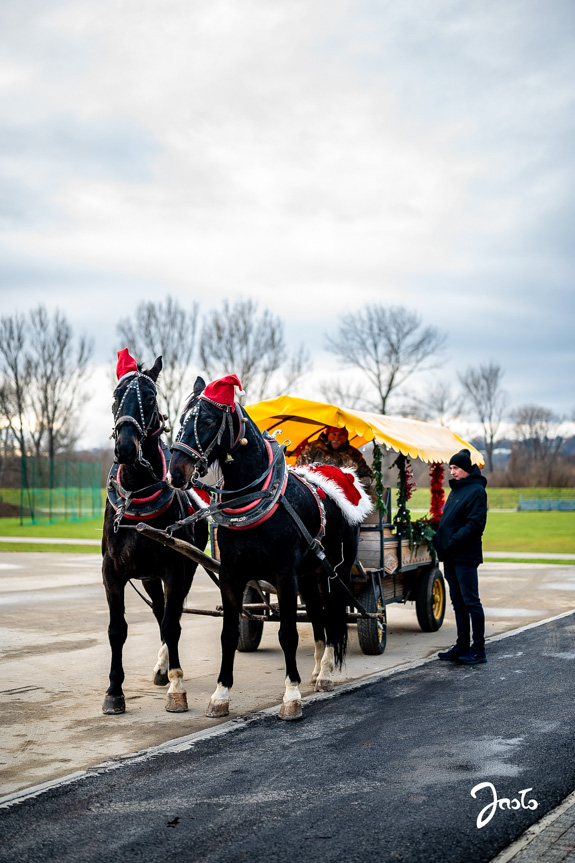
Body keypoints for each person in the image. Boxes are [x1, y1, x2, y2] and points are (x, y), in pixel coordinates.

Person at [433, 448, 488, 665]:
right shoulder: (457, 490)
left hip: (465, 555)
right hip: (451, 556)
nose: (452, 472)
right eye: (451, 468)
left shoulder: (476, 491)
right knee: (457, 602)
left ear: (465, 468)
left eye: (455, 468)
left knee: (471, 602)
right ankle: (462, 645)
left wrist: (451, 542)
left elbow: (475, 525)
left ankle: (479, 649)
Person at [295, 426, 373, 489]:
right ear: (327, 434)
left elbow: (368, 476)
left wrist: (353, 484)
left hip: (345, 496)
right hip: (315, 490)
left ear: (346, 437)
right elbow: (299, 468)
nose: (336, 438)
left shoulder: (354, 454)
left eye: (341, 435)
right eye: (333, 434)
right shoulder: (313, 447)